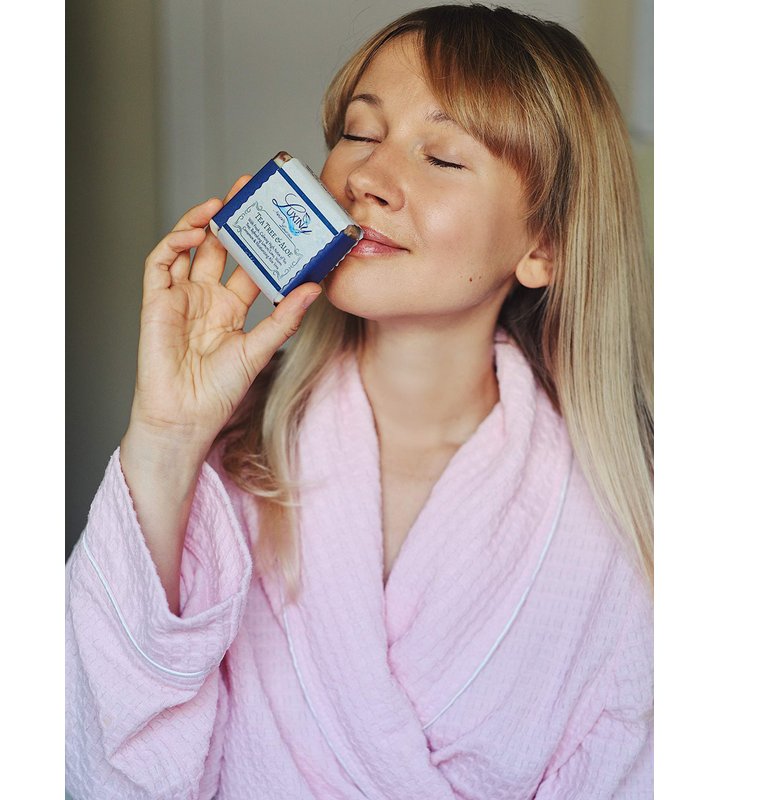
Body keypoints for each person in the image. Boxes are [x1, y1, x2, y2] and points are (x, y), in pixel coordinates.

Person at [65, 4, 653, 798]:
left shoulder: (615, 532)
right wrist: (167, 437)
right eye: (359, 132)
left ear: (543, 245)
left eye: (441, 156)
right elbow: (103, 753)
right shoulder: (234, 456)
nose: (366, 179)